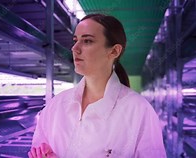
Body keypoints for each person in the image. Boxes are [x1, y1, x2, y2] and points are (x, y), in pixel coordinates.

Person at [28, 13, 166, 158]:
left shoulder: (138, 111)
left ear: (114, 51)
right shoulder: (55, 106)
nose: (75, 48)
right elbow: (37, 148)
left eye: (87, 41)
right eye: (75, 40)